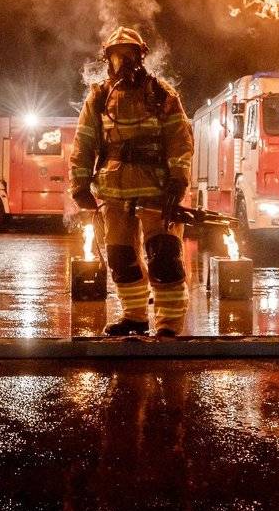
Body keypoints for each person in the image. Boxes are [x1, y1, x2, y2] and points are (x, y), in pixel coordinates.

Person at [69, 27, 194, 337]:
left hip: (157, 191)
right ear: (107, 60)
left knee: (163, 257)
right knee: (121, 258)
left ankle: (168, 325)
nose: (124, 62)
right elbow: (83, 142)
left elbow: (180, 140)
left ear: (141, 57)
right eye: (117, 56)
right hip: (114, 192)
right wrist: (80, 185)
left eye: (130, 55)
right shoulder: (98, 97)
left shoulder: (162, 94)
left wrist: (179, 181)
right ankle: (135, 317)